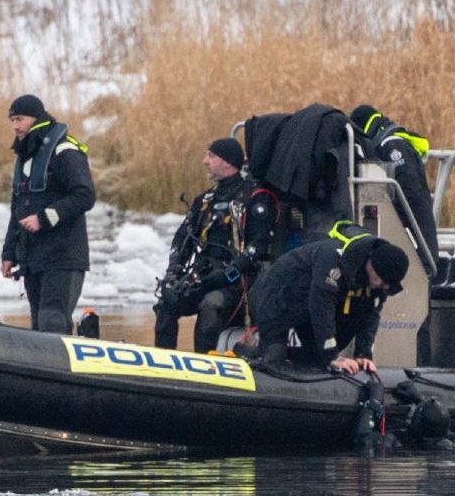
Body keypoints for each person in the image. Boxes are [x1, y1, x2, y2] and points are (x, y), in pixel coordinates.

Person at [247, 222, 410, 373]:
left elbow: (370, 316)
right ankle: (250, 355)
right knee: (276, 356)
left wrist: (363, 353)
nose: (385, 287)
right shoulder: (332, 257)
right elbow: (321, 305)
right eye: (383, 282)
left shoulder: (378, 282)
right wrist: (331, 356)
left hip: (306, 312)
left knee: (314, 362)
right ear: (373, 267)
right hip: (277, 299)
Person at [0, 94, 96, 333]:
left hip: (63, 257)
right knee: (39, 327)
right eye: (12, 120)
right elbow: (18, 210)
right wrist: (9, 252)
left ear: (35, 118)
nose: (15, 126)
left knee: (51, 322)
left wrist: (44, 218)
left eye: (19, 119)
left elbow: (84, 195)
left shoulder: (64, 150)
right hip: (34, 259)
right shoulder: (26, 157)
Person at [153, 137, 258, 353]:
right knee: (167, 302)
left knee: (210, 305)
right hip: (203, 276)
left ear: (228, 162)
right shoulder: (205, 200)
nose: (204, 161)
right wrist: (173, 272)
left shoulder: (251, 198)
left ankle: (205, 367)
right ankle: (163, 364)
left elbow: (258, 247)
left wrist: (230, 272)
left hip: (234, 283)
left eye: (211, 156)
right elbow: (182, 239)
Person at [349, 105, 439, 261]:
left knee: (423, 258)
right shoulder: (382, 143)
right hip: (404, 219)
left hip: (412, 220)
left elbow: (409, 190)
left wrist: (395, 215)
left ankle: (426, 263)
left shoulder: (392, 145)